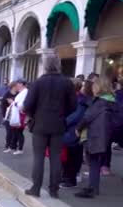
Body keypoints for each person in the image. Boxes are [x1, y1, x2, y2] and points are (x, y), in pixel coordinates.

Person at [23, 54, 76, 198]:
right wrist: (62, 114)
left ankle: (36, 188)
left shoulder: (38, 83)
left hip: (40, 124)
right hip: (58, 124)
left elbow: (27, 105)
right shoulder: (67, 82)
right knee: (56, 157)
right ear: (59, 65)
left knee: (38, 157)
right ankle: (54, 190)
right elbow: (73, 105)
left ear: (45, 65)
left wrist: (34, 115)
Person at [75, 78, 118, 198]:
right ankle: (93, 187)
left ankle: (92, 188)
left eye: (95, 86)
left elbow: (87, 117)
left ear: (99, 88)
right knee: (95, 162)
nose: (93, 88)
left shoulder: (100, 102)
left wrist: (78, 128)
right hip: (104, 134)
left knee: (92, 162)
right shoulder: (112, 101)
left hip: (94, 134)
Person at [60, 79, 91, 188]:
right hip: (72, 130)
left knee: (71, 155)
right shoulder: (77, 99)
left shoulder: (81, 100)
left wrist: (63, 121)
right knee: (70, 155)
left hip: (73, 130)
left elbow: (77, 116)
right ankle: (67, 176)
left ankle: (69, 178)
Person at [8, 78, 29, 155]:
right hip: (17, 113)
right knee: (15, 131)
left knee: (19, 132)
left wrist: (13, 102)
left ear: (21, 84)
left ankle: (20, 149)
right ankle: (13, 147)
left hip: (21, 114)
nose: (17, 85)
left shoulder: (25, 92)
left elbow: (21, 105)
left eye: (18, 84)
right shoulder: (22, 92)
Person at [1, 82, 17, 151]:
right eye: (16, 86)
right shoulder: (7, 94)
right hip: (8, 115)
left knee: (15, 131)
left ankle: (14, 145)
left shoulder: (18, 94)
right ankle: (7, 145)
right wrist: (4, 115)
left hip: (16, 115)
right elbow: (3, 104)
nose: (18, 87)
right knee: (9, 131)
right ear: (13, 87)